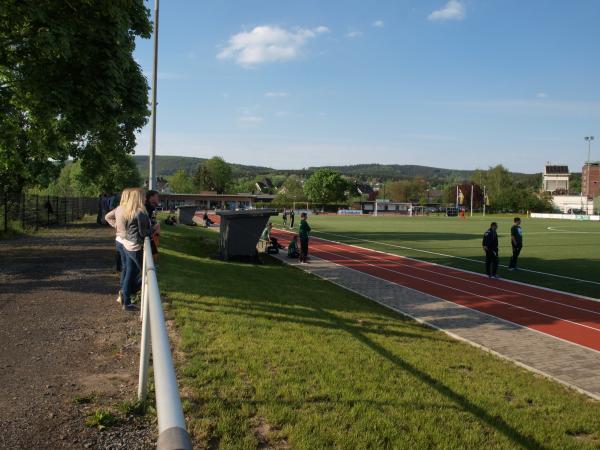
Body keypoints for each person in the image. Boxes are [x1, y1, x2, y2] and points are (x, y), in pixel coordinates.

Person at [121, 188, 151, 311]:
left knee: (130, 273)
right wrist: (154, 229)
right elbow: (143, 233)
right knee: (147, 273)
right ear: (139, 198)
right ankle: (133, 293)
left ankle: (126, 300)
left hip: (127, 245)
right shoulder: (140, 213)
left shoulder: (129, 212)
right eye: (143, 197)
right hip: (135, 247)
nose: (145, 199)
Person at [105, 188, 131, 305]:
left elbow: (107, 217)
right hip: (125, 241)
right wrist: (117, 225)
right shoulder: (126, 209)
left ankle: (123, 290)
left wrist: (116, 225)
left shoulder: (118, 208)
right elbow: (107, 217)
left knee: (125, 268)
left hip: (118, 240)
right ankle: (125, 292)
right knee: (128, 268)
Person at [145, 190, 160, 258]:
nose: (158, 198)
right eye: (157, 196)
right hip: (147, 231)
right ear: (151, 197)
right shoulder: (147, 206)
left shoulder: (150, 206)